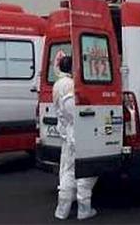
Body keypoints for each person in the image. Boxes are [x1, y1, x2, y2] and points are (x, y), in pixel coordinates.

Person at [53, 52, 98, 220]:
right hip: (76, 131)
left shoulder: (58, 84)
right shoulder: (71, 85)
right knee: (85, 172)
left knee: (68, 172)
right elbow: (74, 111)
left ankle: (62, 210)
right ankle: (84, 210)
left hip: (66, 133)